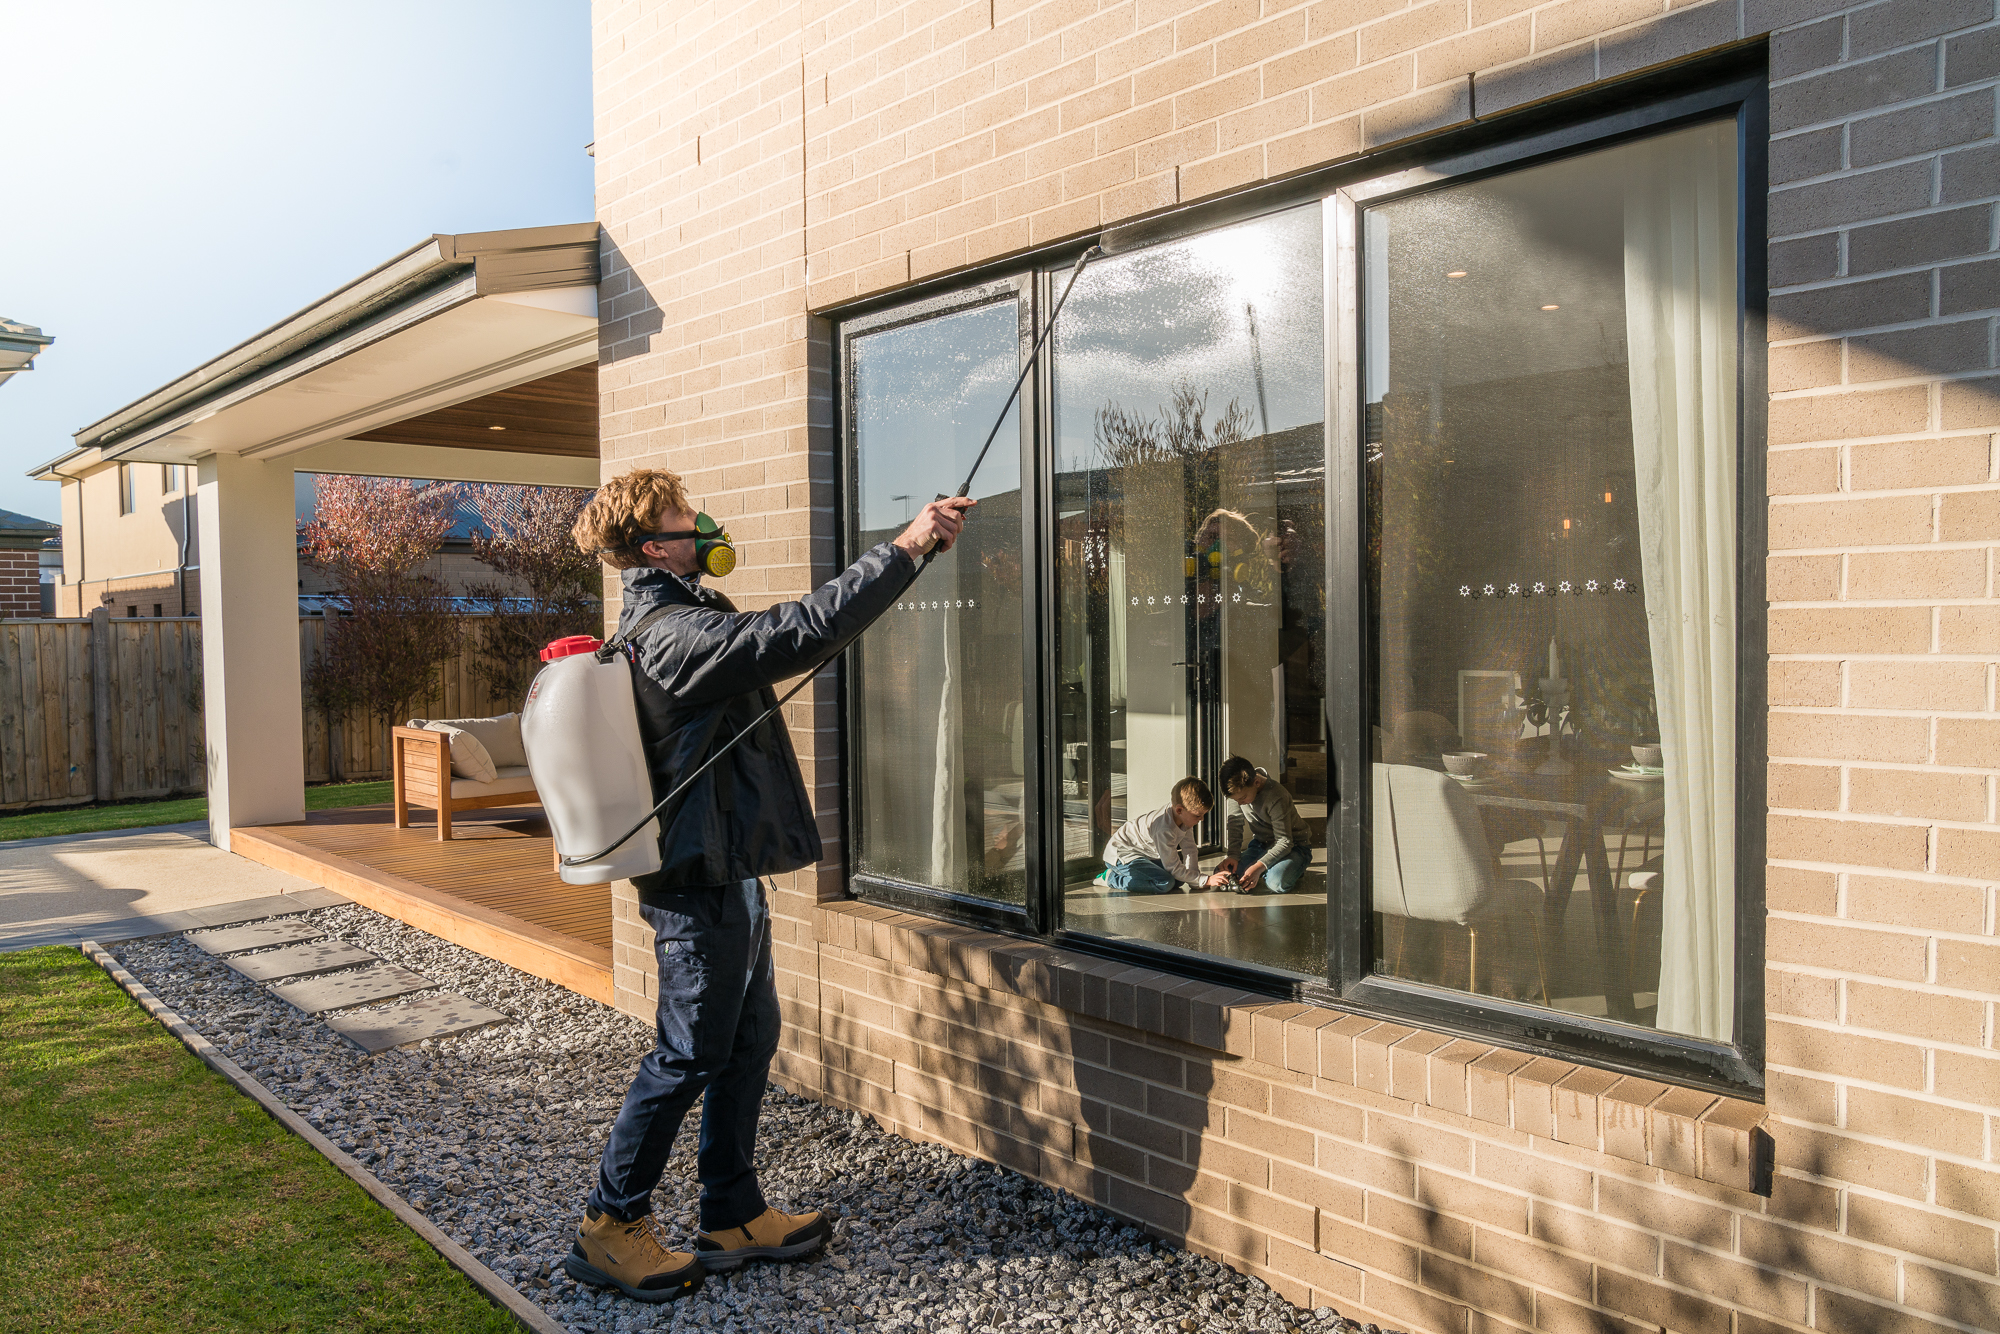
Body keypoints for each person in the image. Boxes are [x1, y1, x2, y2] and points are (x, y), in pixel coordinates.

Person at [560, 469, 973, 1304]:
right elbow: (799, 630)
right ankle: (610, 1225)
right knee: (687, 1053)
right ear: (656, 546)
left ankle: (732, 1212)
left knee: (748, 1042)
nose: (702, 519)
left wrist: (908, 560)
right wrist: (904, 547)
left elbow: (797, 633)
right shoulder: (667, 631)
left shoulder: (690, 615)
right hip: (695, 884)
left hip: (732, 873)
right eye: (684, 515)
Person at [1100, 778, 1233, 893]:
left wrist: (1197, 882)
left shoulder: (1183, 817)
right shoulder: (1163, 828)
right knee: (1165, 883)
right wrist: (1206, 879)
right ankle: (1111, 878)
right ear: (1180, 810)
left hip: (1144, 854)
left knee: (1178, 880)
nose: (1202, 819)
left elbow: (1190, 849)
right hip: (1121, 855)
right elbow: (1173, 868)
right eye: (1198, 815)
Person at [1217, 756, 1311, 894]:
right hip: (1262, 845)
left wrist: (1259, 867)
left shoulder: (1277, 796)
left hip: (1295, 847)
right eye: (1235, 800)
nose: (1240, 803)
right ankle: (1272, 868)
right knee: (1224, 874)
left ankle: (1292, 867)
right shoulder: (1238, 792)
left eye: (1242, 798)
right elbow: (1235, 824)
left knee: (1276, 883)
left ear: (1256, 782)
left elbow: (1285, 841)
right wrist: (1233, 855)